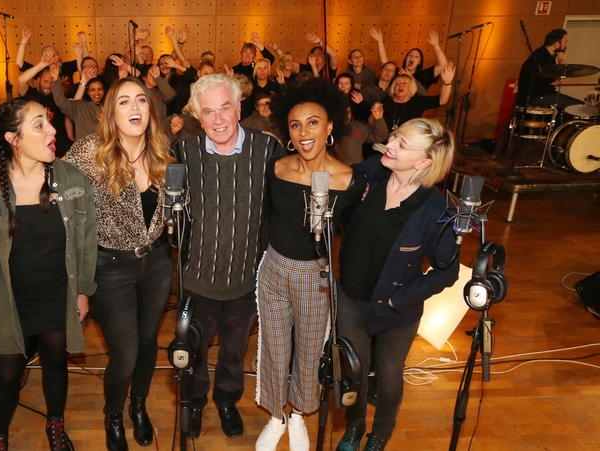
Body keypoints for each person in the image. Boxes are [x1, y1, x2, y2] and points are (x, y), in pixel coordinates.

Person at [0, 97, 98, 451]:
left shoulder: (71, 179)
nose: (52, 130)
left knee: (56, 360)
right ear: (14, 138)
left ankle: (55, 423)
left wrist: (83, 290)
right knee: (8, 372)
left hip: (57, 289)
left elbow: (86, 241)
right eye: (39, 124)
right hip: (9, 295)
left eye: (49, 121)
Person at [254, 78, 367, 451]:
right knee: (273, 346)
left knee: (308, 350)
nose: (304, 132)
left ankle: (300, 413)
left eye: (313, 122)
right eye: (295, 124)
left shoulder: (349, 180)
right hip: (273, 269)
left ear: (330, 125)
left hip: (314, 276)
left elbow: (353, 237)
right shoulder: (277, 169)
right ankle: (276, 415)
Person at [335, 118, 460, 451]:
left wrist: (397, 301)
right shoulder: (376, 170)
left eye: (402, 144)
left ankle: (380, 435)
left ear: (423, 162)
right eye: (394, 137)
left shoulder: (435, 209)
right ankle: (355, 426)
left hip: (396, 309)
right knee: (354, 372)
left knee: (388, 378)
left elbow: (446, 272)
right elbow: (347, 176)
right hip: (349, 296)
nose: (389, 145)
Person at [172, 74, 285, 440]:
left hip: (245, 279)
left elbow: (290, 195)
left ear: (239, 109)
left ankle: (226, 401)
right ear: (197, 116)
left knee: (234, 352)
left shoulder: (267, 149)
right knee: (195, 351)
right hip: (197, 277)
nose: (218, 119)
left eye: (225, 108)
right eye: (209, 111)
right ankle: (194, 403)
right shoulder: (183, 152)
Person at [66, 77, 175, 451]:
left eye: (141, 100)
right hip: (109, 266)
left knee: (147, 345)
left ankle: (138, 406)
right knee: (125, 353)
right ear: (111, 112)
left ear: (150, 109)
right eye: (124, 102)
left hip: (157, 263)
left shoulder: (163, 151)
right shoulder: (90, 151)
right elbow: (49, 177)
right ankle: (113, 414)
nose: (134, 108)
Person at [18, 51, 73, 157]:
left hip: (59, 141)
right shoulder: (30, 93)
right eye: (46, 81)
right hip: (37, 141)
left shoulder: (58, 95)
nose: (49, 85)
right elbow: (21, 80)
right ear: (38, 80)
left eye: (52, 82)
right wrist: (42, 64)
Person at [516, 28, 582, 110]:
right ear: (556, 45)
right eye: (565, 42)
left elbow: (554, 80)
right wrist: (562, 63)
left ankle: (559, 122)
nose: (566, 45)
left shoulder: (546, 56)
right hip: (536, 96)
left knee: (569, 105)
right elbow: (554, 82)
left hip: (542, 94)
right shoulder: (542, 57)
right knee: (578, 106)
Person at [381, 62, 454, 132]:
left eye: (405, 83)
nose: (400, 85)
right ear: (393, 87)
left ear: (411, 87)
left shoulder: (418, 101)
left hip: (408, 143)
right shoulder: (385, 101)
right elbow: (372, 121)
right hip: (384, 143)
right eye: (397, 83)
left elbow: (442, 100)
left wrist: (447, 82)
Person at [370, 28, 447, 90]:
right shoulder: (398, 72)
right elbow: (385, 62)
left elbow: (443, 66)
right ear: (406, 59)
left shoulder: (424, 75)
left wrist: (436, 45)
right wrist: (380, 41)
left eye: (416, 56)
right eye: (410, 55)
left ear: (419, 62)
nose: (412, 57)